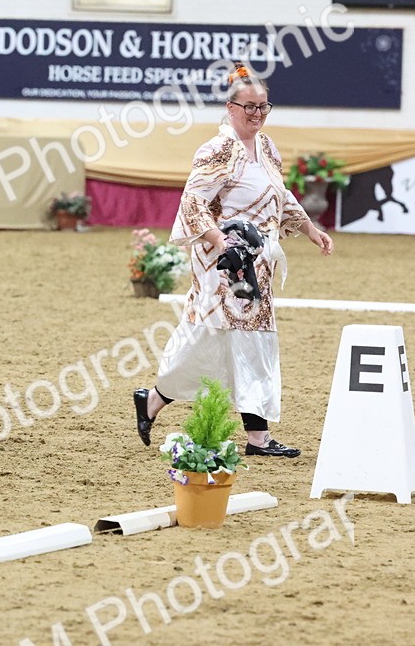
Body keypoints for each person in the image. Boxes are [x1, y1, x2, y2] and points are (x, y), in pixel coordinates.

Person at [134, 63, 334, 458]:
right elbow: (193, 202)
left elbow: (281, 195)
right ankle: (161, 401)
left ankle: (163, 403)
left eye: (263, 107)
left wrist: (309, 228)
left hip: (258, 263)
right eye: (249, 107)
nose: (257, 114)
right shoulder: (217, 149)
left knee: (242, 341)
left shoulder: (267, 148)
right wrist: (219, 240)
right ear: (230, 107)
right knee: (220, 340)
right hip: (222, 265)